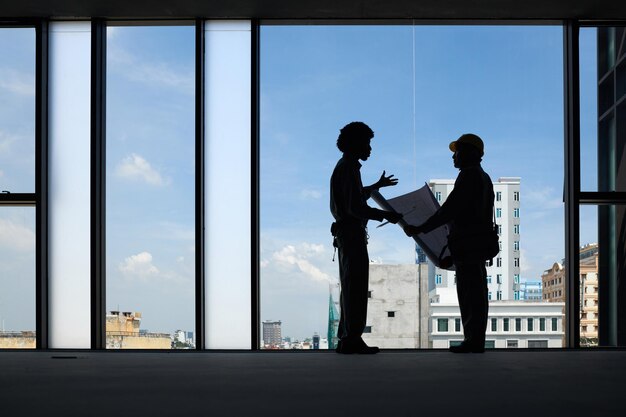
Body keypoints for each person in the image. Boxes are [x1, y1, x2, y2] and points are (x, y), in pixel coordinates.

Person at [404, 133, 494, 353]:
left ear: (471, 153)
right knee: (476, 292)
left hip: (469, 246)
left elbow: (449, 210)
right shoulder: (483, 177)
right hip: (476, 245)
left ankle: (473, 341)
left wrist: (420, 228)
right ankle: (475, 339)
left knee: (470, 293)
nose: (453, 157)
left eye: (458, 151)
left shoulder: (469, 176)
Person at [330, 121, 402, 354]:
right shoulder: (349, 167)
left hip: (346, 234)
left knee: (351, 286)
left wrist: (375, 186)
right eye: (367, 143)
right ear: (356, 143)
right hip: (351, 233)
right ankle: (352, 338)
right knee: (356, 286)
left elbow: (355, 196)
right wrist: (385, 215)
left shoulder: (346, 166)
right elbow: (355, 207)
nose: (370, 148)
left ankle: (347, 337)